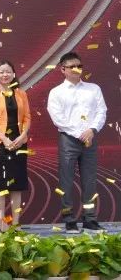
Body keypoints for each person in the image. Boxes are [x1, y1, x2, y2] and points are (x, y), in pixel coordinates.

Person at [47, 51, 107, 234]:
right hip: (68, 139)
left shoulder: (93, 89)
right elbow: (58, 118)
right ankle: (69, 220)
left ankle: (90, 219)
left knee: (89, 180)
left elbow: (102, 111)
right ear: (63, 69)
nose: (76, 69)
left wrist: (92, 130)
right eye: (72, 66)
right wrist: (79, 133)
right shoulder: (56, 92)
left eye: (79, 66)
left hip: (90, 139)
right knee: (66, 181)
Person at [0, 60, 30, 231]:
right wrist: (4, 139)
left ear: (13, 74)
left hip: (19, 143)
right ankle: (2, 221)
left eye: (8, 71)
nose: (5, 75)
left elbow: (27, 117)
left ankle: (15, 222)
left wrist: (22, 136)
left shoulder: (21, 94)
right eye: (1, 72)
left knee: (17, 185)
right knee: (1, 184)